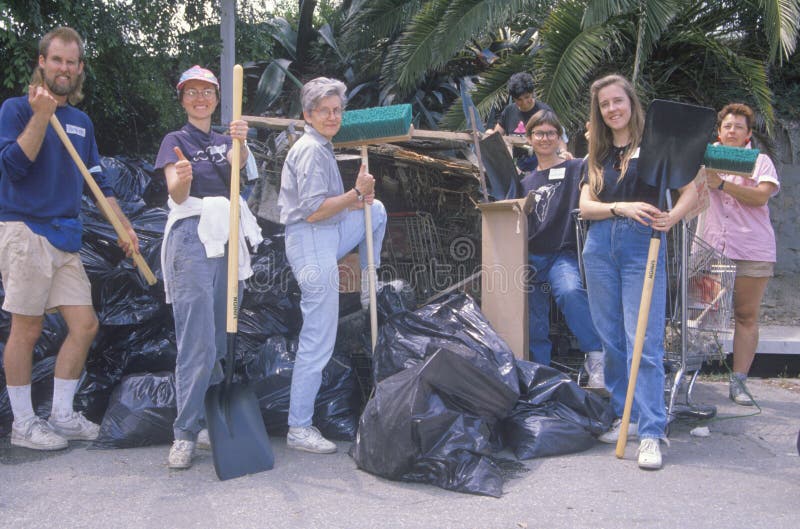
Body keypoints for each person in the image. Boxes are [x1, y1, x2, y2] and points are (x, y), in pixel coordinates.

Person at [0, 27, 139, 450]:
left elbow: (99, 183)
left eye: (71, 62)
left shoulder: (81, 123)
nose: (64, 68)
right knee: (27, 328)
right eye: (56, 60)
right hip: (25, 228)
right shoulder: (15, 109)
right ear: (42, 62)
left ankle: (60, 414)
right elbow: (12, 167)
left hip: (65, 234)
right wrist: (42, 116)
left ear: (80, 69)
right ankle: (24, 424)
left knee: (85, 324)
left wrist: (124, 225)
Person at [578, 74, 697, 470]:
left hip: (641, 246)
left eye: (618, 101)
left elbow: (692, 193)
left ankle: (650, 431)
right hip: (599, 246)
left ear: (631, 102)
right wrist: (621, 207)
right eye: (605, 105)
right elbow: (586, 207)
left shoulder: (656, 146)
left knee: (642, 340)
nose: (612, 109)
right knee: (611, 340)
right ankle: (622, 415)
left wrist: (671, 218)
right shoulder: (595, 154)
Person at [155, 65, 258, 469]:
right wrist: (182, 177)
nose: (200, 99)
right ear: (182, 99)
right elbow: (177, 195)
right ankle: (184, 432)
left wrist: (243, 144)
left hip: (228, 237)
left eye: (207, 92)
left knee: (218, 336)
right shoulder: (174, 140)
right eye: (192, 92)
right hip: (192, 236)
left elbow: (242, 174)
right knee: (196, 340)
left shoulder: (227, 138)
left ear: (217, 98)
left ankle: (210, 424)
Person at [278, 77, 386, 454]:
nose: (332, 116)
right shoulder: (310, 149)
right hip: (309, 242)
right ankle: (299, 427)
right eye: (324, 110)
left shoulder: (322, 147)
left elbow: (327, 206)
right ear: (308, 114)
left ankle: (370, 281)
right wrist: (355, 193)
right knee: (318, 337)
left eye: (337, 110)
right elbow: (311, 212)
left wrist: (358, 201)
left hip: (324, 234)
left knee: (376, 211)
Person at [701, 103, 780, 406]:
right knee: (699, 314)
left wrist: (721, 184)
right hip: (709, 246)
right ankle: (692, 375)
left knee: (745, 315)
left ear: (748, 135)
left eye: (738, 127)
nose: (732, 131)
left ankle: (739, 381)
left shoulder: (760, 161)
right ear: (719, 131)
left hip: (751, 247)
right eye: (727, 126)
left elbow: (761, 196)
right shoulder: (705, 156)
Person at [519, 110, 604, 387]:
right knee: (533, 318)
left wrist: (594, 137)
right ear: (529, 138)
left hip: (561, 253)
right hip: (531, 255)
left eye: (550, 133)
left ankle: (596, 356)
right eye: (539, 133)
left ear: (559, 137)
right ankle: (539, 375)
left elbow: (599, 161)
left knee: (570, 292)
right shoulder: (525, 181)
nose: (545, 138)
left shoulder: (575, 168)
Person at [488, 72, 571, 166]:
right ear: (514, 99)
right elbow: (497, 134)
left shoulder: (544, 111)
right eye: (519, 99)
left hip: (540, 162)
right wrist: (490, 135)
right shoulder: (509, 111)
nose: (524, 102)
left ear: (532, 93)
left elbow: (559, 137)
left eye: (527, 97)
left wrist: (563, 152)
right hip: (516, 164)